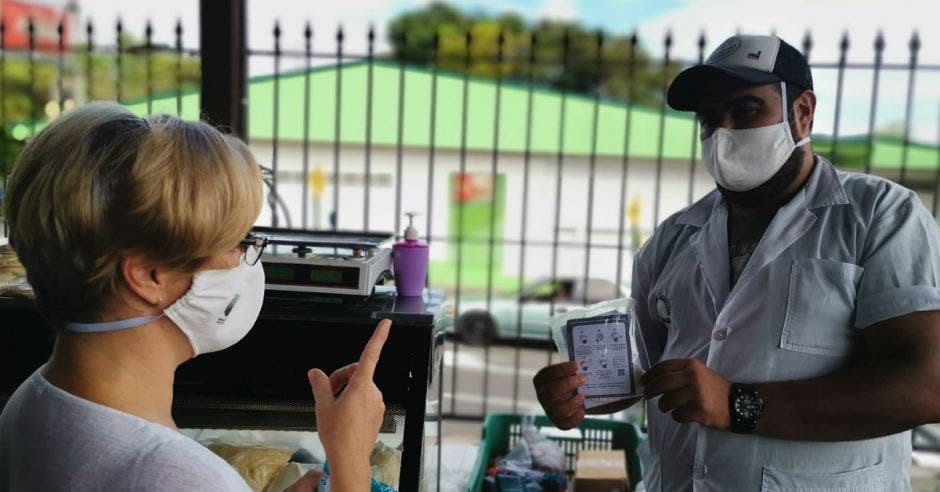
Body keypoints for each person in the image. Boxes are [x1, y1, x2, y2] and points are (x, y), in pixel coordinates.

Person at [534, 34, 940, 490]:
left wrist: (738, 404)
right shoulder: (671, 241)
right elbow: (640, 376)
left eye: (746, 110)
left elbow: (927, 385)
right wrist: (579, 394)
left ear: (802, 112)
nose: (724, 133)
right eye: (709, 119)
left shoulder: (879, 216)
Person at [0, 102, 388, 491]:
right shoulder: (178, 474)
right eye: (236, 242)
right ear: (148, 275)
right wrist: (350, 460)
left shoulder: (33, 400)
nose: (246, 261)